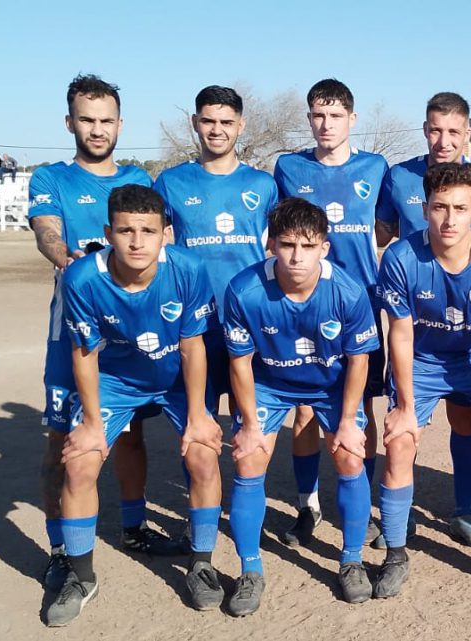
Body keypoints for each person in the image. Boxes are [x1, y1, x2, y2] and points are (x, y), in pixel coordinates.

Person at [28, 74, 181, 597]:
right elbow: (47, 231)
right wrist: (71, 258)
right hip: (73, 328)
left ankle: (134, 529)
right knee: (61, 440)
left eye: (106, 120)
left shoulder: (140, 176)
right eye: (87, 119)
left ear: (120, 124)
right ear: (70, 122)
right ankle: (60, 553)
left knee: (132, 431)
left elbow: (165, 238)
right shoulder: (51, 177)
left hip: (135, 329)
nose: (97, 129)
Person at [45, 184, 223, 626]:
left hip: (174, 378)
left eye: (148, 230)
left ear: (166, 232)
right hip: (115, 380)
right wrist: (88, 422)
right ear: (109, 232)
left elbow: (192, 347)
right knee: (80, 463)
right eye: (126, 230)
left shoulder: (188, 268)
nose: (137, 241)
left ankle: (201, 563)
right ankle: (80, 576)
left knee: (203, 454)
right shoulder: (83, 277)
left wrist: (199, 416)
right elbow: (84, 352)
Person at [373, 162, 471, 601]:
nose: (450, 219)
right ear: (424, 209)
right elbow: (399, 334)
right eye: (440, 207)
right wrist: (403, 406)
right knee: (400, 442)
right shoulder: (402, 257)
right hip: (422, 359)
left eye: (461, 208)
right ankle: (396, 555)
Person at [221, 197, 380, 610]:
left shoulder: (348, 291)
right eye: (288, 244)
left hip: (329, 385)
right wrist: (250, 426)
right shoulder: (244, 290)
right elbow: (239, 365)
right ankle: (250, 570)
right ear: (271, 244)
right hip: (269, 383)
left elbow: (359, 362)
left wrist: (348, 421)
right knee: (248, 458)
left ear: (324, 248)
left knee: (349, 456)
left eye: (308, 246)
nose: (297, 256)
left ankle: (351, 560)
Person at [374, 91, 471, 548]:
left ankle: (464, 509)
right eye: (435, 129)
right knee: (403, 426)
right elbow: (383, 232)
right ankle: (399, 514)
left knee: (465, 420)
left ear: (467, 133)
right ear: (424, 129)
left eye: (453, 131)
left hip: (468, 319)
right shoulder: (398, 176)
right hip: (415, 317)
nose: (443, 139)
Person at [271, 78, 388, 548]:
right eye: (318, 115)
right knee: (304, 412)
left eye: (335, 115)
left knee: (361, 409)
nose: (326, 124)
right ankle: (307, 505)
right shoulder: (289, 167)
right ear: (309, 118)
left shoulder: (376, 168)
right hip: (303, 307)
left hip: (360, 306)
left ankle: (365, 501)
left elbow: (391, 223)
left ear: (352, 120)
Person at [153, 85, 277, 416]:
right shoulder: (170, 182)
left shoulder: (263, 185)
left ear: (241, 125)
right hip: (192, 319)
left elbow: (276, 247)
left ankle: (243, 472)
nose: (217, 130)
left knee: (248, 419)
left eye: (226, 121)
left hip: (247, 316)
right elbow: (156, 244)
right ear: (195, 122)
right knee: (198, 418)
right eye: (208, 121)